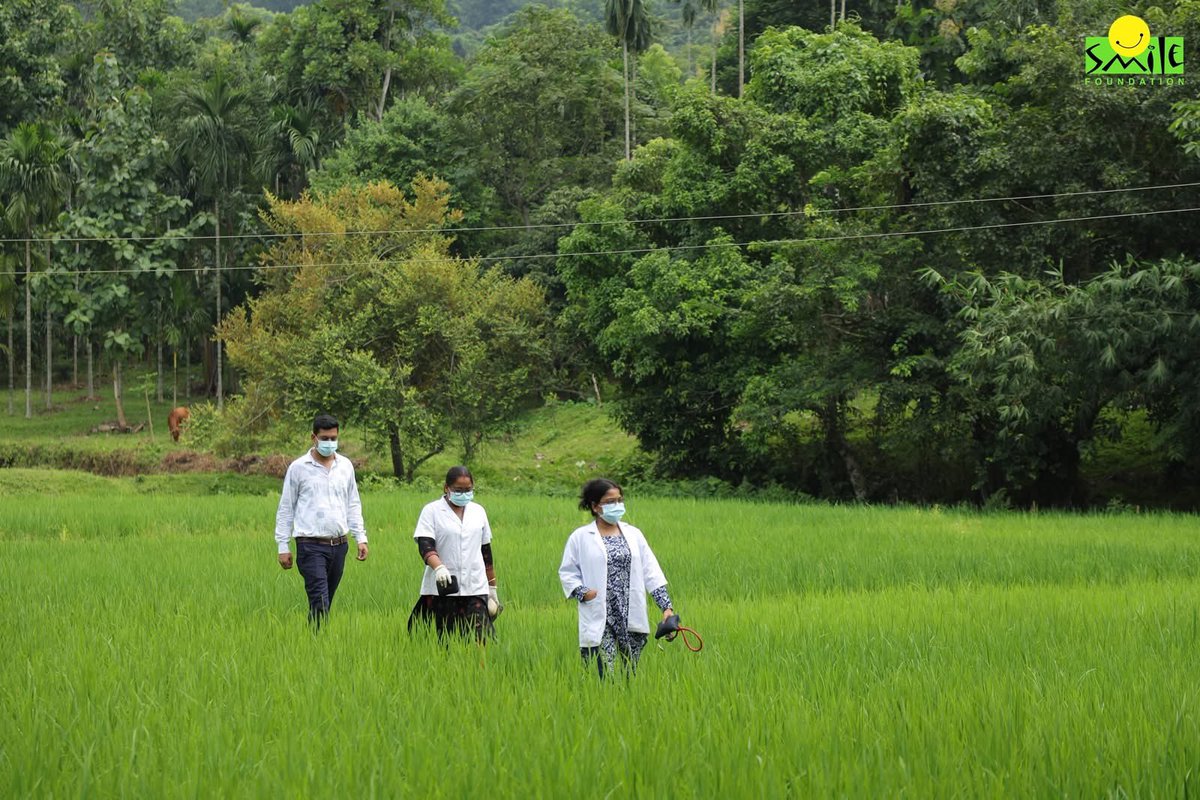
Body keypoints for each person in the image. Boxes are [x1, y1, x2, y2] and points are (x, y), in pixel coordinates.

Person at [558, 478, 676, 677]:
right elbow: (568, 572)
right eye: (610, 501)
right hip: (601, 612)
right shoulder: (580, 537)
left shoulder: (634, 534)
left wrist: (666, 607)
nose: (617, 505)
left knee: (631, 673)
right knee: (604, 673)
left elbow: (651, 572)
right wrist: (582, 592)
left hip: (630, 610)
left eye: (619, 500)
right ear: (595, 506)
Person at [274, 413, 369, 626]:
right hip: (310, 546)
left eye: (333, 438)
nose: (329, 443)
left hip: (339, 545)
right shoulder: (299, 468)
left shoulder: (345, 466)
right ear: (313, 438)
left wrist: (360, 537)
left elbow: (353, 503)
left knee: (325, 603)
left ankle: (314, 643)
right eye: (324, 438)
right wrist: (283, 545)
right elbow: (286, 507)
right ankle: (316, 646)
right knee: (320, 602)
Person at [408, 466, 500, 641]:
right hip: (443, 588)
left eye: (468, 490)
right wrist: (439, 567)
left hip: (475, 586)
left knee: (483, 639)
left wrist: (492, 587)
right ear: (446, 488)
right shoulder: (432, 511)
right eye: (458, 490)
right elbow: (425, 546)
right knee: (446, 640)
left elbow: (486, 552)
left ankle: (481, 668)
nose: (464, 494)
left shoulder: (478, 511)